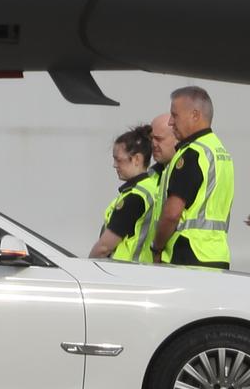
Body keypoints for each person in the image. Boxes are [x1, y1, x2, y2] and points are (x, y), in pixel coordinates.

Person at [151, 86, 234, 268]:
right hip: (217, 255)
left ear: (195, 115)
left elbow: (172, 213)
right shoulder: (219, 152)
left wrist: (156, 248)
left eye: (175, 115)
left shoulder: (191, 154)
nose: (171, 122)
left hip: (188, 255)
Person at [89, 125, 157, 263]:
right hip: (142, 269)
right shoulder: (153, 188)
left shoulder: (134, 198)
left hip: (124, 270)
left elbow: (104, 247)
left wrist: (87, 266)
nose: (114, 165)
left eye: (118, 159)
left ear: (137, 159)